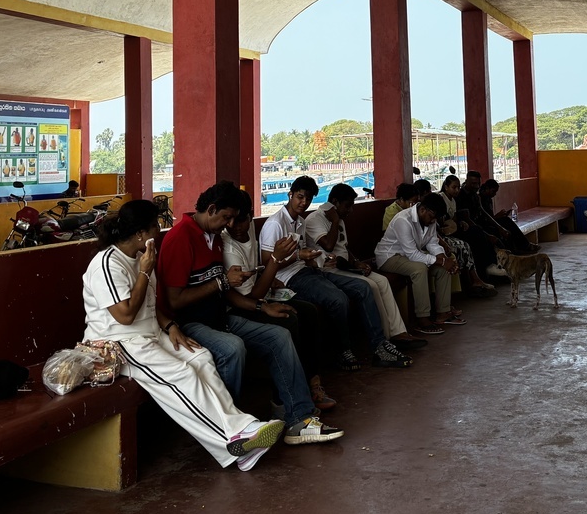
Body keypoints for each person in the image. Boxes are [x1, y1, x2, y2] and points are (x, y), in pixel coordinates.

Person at [82, 198, 283, 471]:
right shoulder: (108, 263)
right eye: (154, 227)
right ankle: (234, 438)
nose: (159, 233)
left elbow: (151, 307)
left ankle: (243, 435)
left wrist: (171, 326)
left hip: (151, 333)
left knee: (200, 357)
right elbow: (126, 315)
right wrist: (144, 272)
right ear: (140, 232)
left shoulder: (142, 258)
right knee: (182, 374)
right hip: (118, 343)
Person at [156, 181, 344, 446]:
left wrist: (260, 307)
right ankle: (226, 430)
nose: (230, 225)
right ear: (211, 209)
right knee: (232, 348)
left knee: (279, 336)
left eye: (234, 218)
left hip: (220, 316)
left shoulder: (213, 237)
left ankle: (298, 419)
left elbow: (226, 292)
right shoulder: (180, 238)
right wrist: (221, 283)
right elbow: (174, 301)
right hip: (190, 324)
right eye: (226, 217)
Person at [258, 176, 411, 370]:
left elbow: (305, 253)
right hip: (289, 279)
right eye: (299, 197)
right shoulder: (275, 224)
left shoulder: (300, 222)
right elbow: (266, 262)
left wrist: (311, 259)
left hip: (308, 271)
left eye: (308, 199)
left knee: (363, 287)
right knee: (338, 299)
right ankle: (343, 351)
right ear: (290, 195)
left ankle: (379, 346)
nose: (303, 203)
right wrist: (299, 256)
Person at [221, 206, 338, 412]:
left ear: (250, 217)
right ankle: (282, 400)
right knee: (288, 320)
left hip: (260, 296)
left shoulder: (247, 232)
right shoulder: (228, 245)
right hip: (241, 307)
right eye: (231, 221)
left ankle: (312, 382)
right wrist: (276, 260)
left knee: (308, 311)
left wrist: (267, 278)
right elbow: (250, 296)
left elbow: (255, 271)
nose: (236, 227)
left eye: (242, 220)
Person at [306, 183, 427, 350]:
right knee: (371, 286)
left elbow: (343, 247)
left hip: (347, 266)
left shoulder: (340, 219)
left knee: (382, 281)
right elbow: (328, 245)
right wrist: (334, 220)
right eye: (347, 206)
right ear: (334, 202)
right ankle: (384, 339)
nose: (350, 211)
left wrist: (357, 262)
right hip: (329, 269)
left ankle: (398, 333)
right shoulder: (315, 219)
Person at [376, 193, 463, 334]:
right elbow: (413, 254)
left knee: (442, 268)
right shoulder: (403, 220)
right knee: (419, 269)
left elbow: (432, 243)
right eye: (432, 217)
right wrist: (441, 261)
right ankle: (422, 318)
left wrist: (444, 260)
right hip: (390, 257)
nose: (433, 221)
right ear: (423, 210)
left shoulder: (430, 220)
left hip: (409, 256)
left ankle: (443, 312)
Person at [437, 174, 494, 294]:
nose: (457, 190)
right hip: (443, 234)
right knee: (468, 243)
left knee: (476, 234)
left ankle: (482, 274)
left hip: (453, 230)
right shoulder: (441, 198)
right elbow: (441, 221)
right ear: (446, 187)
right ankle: (473, 280)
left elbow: (455, 218)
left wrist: (461, 222)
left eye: (458, 187)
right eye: (454, 187)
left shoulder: (453, 200)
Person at [476, 176, 537, 255]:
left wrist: (500, 216)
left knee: (507, 221)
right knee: (506, 225)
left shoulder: (488, 199)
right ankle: (518, 248)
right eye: (493, 191)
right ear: (487, 188)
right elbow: (485, 219)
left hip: (492, 221)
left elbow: (491, 216)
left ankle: (523, 246)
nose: (494, 194)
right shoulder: (479, 199)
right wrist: (497, 216)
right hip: (484, 225)